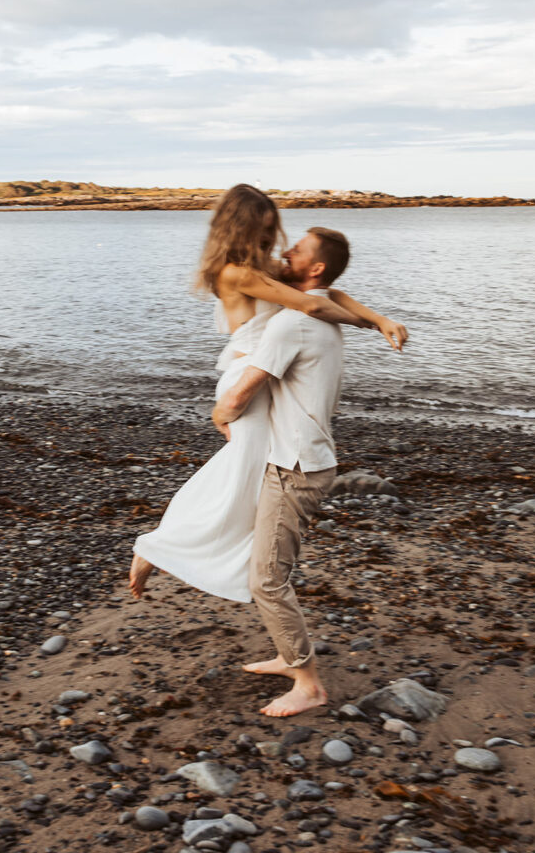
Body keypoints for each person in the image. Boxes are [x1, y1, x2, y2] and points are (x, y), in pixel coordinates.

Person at [129, 184, 407, 606]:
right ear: (239, 227)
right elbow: (311, 307)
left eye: (271, 227)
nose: (270, 237)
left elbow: (325, 293)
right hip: (247, 376)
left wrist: (380, 316)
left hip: (261, 377)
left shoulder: (261, 270)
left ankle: (224, 560)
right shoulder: (235, 272)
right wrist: (366, 325)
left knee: (251, 476)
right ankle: (159, 547)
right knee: (241, 475)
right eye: (262, 228)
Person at [210, 225, 372, 716]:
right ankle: (287, 656)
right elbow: (333, 300)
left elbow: (246, 389)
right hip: (302, 458)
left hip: (294, 467)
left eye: (296, 250)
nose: (285, 251)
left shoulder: (292, 323)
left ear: (315, 268)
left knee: (267, 580)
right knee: (266, 567)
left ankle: (308, 683)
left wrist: (222, 413)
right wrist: (379, 319)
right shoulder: (317, 315)